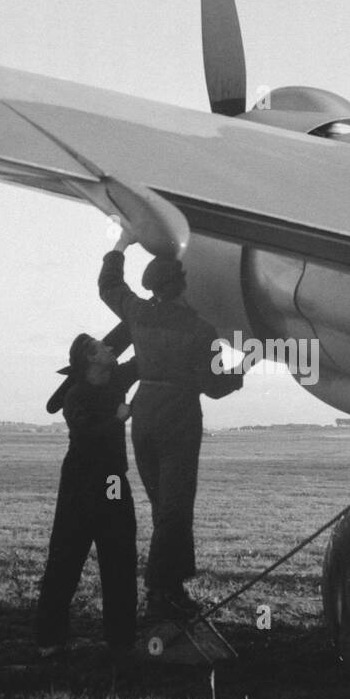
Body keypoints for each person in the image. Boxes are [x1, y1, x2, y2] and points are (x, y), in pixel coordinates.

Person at [99, 230, 242, 621]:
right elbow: (214, 387)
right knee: (176, 509)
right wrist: (246, 365)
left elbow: (109, 286)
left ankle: (173, 586)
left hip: (143, 413)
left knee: (165, 508)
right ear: (182, 285)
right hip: (178, 417)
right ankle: (160, 592)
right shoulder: (201, 330)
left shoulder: (138, 313)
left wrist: (122, 245)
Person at [34, 333, 139, 655]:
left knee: (120, 559)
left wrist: (145, 313)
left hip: (112, 481)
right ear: (91, 358)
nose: (111, 347)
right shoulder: (76, 396)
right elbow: (87, 432)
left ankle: (120, 639)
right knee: (65, 558)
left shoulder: (116, 378)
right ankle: (49, 640)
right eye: (102, 347)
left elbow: (143, 352)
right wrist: (117, 418)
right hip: (81, 483)